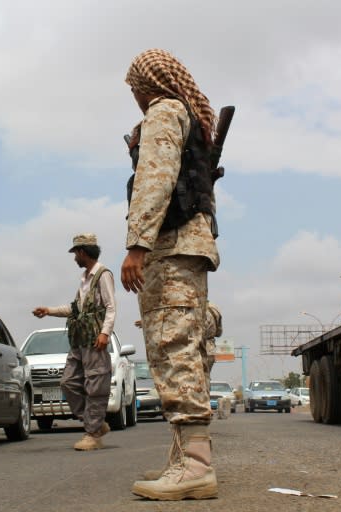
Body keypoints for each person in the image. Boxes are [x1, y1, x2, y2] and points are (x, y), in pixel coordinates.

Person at [120, 48, 220, 500]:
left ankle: (196, 466)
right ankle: (186, 459)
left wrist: (137, 244)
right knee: (184, 347)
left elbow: (155, 179)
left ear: (148, 84)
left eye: (136, 89)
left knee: (173, 346)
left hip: (171, 247)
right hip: (190, 248)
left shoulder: (165, 111)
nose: (137, 98)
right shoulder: (189, 118)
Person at [32, 233, 116, 451]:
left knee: (95, 386)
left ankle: (93, 434)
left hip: (94, 340)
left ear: (82, 252)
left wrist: (105, 333)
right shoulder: (85, 279)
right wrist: (48, 311)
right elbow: (75, 309)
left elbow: (110, 307)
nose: (74, 258)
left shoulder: (102, 275)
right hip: (79, 340)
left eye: (75, 253)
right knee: (68, 383)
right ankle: (94, 423)